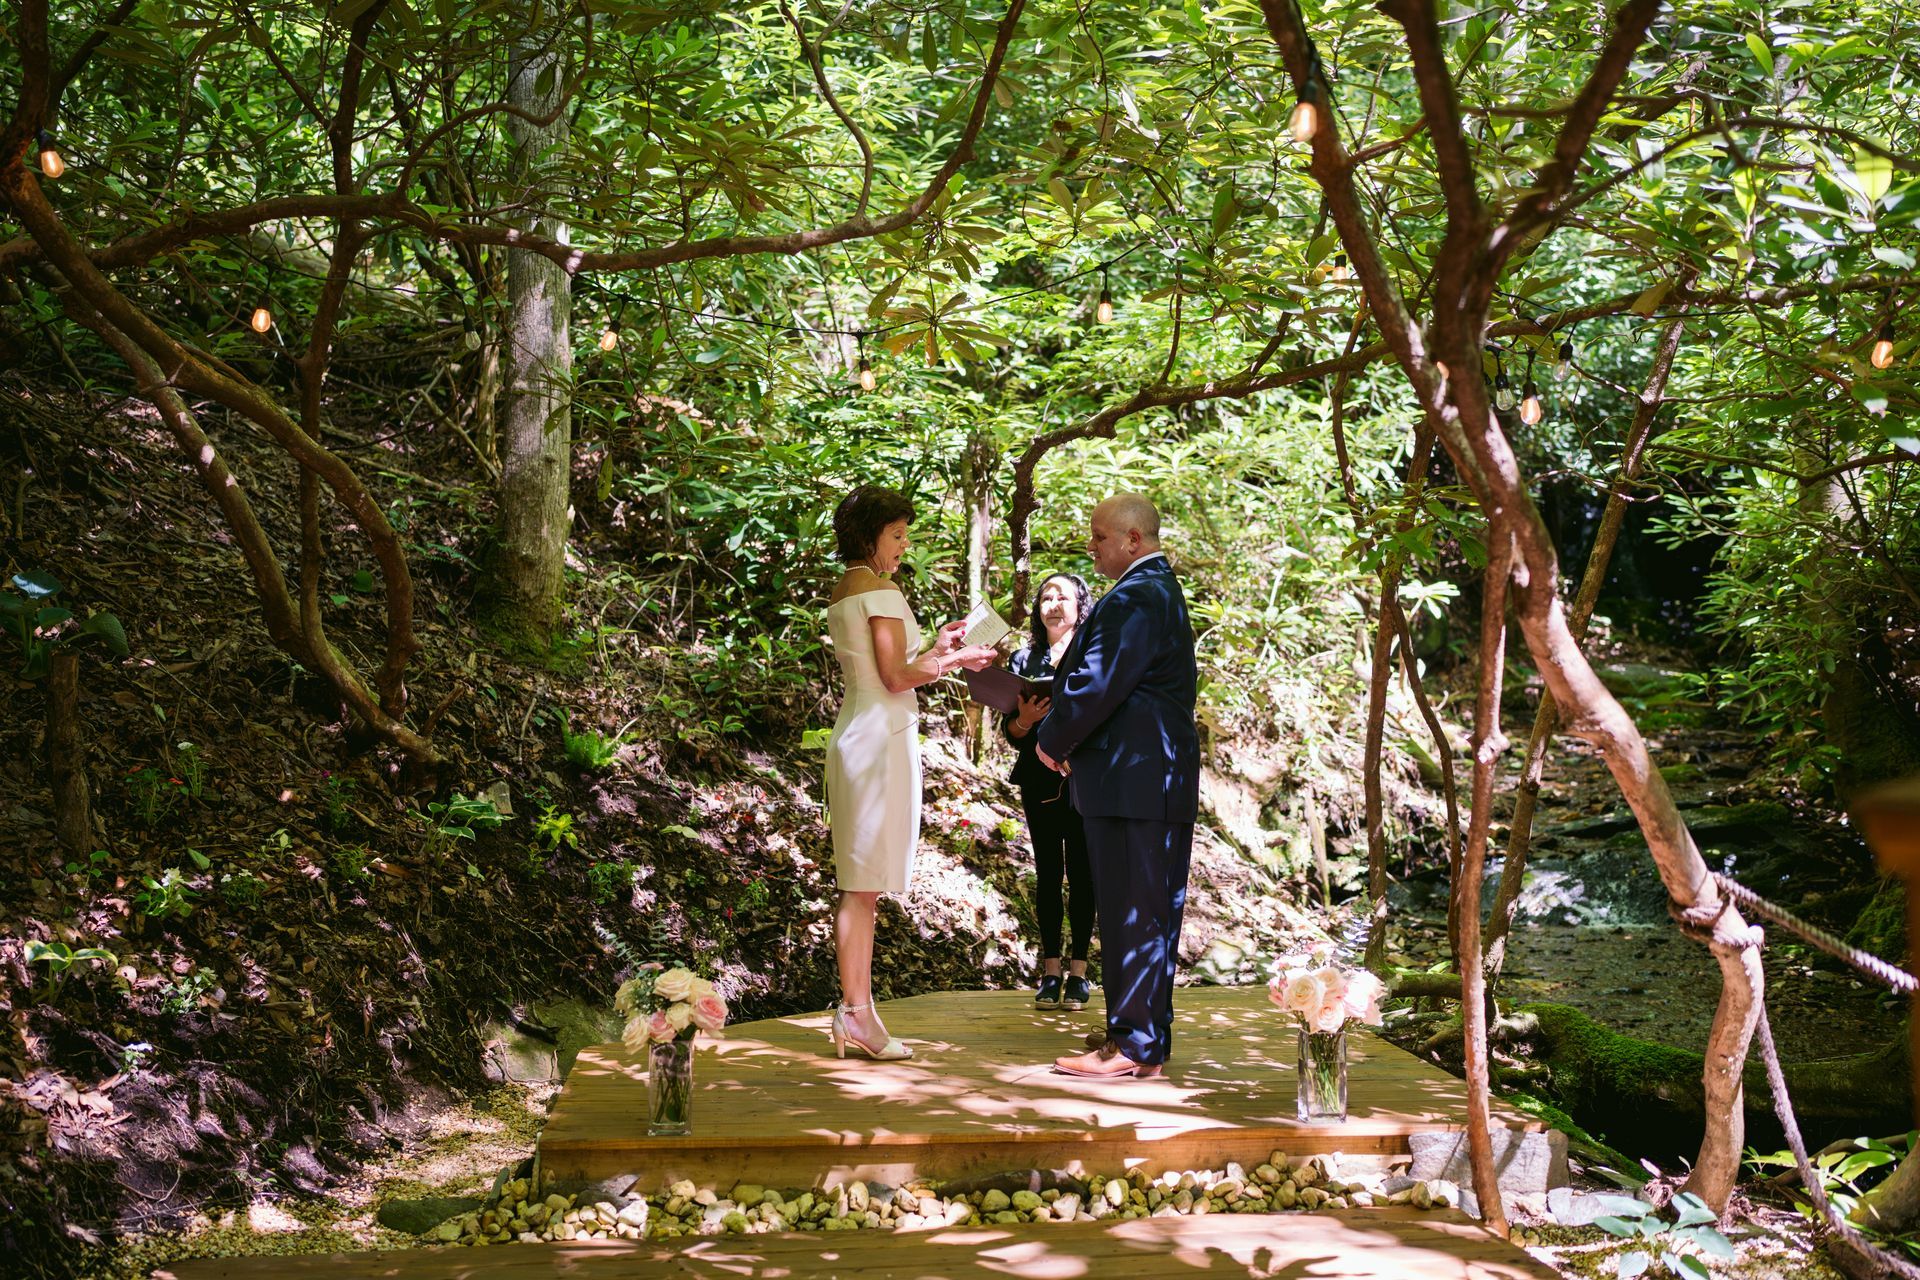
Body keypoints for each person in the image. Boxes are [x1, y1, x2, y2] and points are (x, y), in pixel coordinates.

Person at [824, 485, 997, 1060]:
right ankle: (857, 1016)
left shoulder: (847, 588)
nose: (903, 545)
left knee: (859, 881)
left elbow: (884, 664)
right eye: (896, 534)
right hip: (881, 741)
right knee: (863, 884)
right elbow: (898, 677)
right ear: (870, 533)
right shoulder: (881, 589)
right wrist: (959, 658)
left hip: (858, 730)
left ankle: (856, 1012)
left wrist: (937, 643)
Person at [1035, 494, 1198, 1080]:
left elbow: (1097, 684)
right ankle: (1141, 1043)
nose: (1091, 546)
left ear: (1134, 539)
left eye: (1100, 537)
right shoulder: (1156, 591)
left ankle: (1132, 1045)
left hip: (1135, 780)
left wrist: (1050, 740)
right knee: (1145, 912)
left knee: (1135, 913)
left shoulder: (1136, 594)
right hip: (1149, 779)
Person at [1002, 572, 1096, 1010]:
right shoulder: (1025, 659)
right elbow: (1012, 731)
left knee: (1082, 873)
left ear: (1081, 605)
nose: (1053, 604)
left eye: (1063, 597)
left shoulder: (1095, 654)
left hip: (1084, 777)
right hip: (1039, 780)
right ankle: (1050, 969)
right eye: (1045, 597)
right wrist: (1023, 718)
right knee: (1047, 874)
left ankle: (1079, 971)